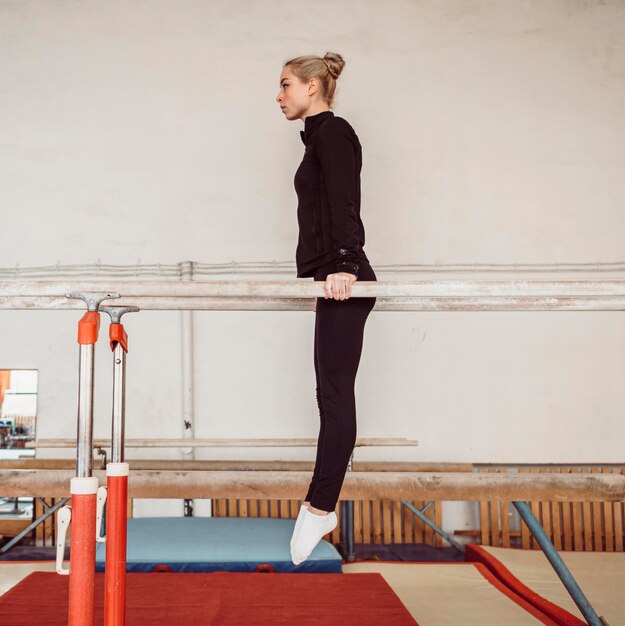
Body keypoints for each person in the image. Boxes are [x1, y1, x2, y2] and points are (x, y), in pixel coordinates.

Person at [276, 52, 377, 565]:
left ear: (314, 86)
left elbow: (345, 199)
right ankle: (320, 506)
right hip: (331, 279)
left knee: (335, 397)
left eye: (286, 84)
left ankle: (320, 507)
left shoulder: (333, 133)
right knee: (328, 394)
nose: (279, 95)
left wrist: (345, 263)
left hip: (344, 277)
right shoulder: (317, 139)